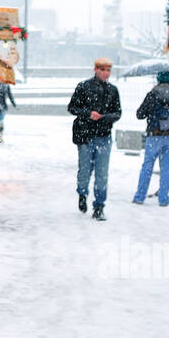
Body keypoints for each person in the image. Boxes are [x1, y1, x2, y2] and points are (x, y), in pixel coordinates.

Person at [67, 57, 121, 221]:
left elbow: (117, 113)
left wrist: (104, 117)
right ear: (95, 69)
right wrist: (88, 114)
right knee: (84, 170)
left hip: (104, 136)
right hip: (86, 136)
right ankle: (82, 194)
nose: (106, 73)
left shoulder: (112, 90)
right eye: (103, 69)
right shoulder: (83, 87)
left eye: (108, 70)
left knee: (102, 174)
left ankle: (99, 206)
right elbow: (72, 107)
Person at [132, 70, 169, 207]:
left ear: (158, 78)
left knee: (147, 166)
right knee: (167, 168)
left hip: (155, 135)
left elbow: (140, 114)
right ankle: (163, 199)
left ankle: (140, 196)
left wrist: (152, 112)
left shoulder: (152, 94)